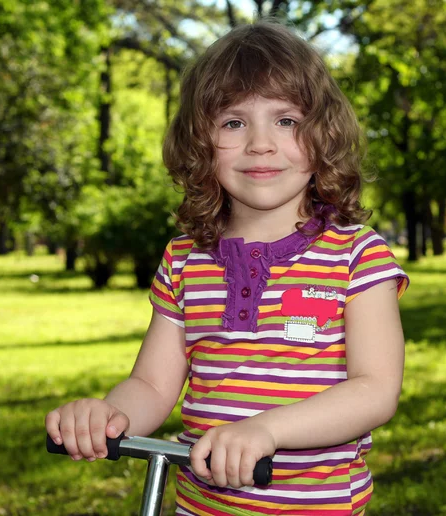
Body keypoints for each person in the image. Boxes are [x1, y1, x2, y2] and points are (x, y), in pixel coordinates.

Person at [46, 19, 409, 516]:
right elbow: (153, 385)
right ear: (200, 141)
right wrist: (109, 415)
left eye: (286, 120)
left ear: (323, 134)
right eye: (233, 123)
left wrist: (267, 430)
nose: (260, 143)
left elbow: (375, 389)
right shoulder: (185, 260)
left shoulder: (357, 256)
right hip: (200, 506)